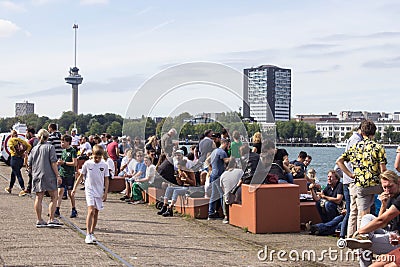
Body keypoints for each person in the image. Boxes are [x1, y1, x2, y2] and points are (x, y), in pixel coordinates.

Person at [337, 119, 387, 229]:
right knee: (391, 200)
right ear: (374, 133)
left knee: (362, 215)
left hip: (361, 185)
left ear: (362, 132)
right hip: (376, 184)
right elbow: (383, 170)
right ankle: (385, 227)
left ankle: (361, 238)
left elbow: (339, 162)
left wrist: (350, 174)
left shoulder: (355, 148)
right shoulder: (378, 148)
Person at [344, 170, 400, 267]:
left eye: (390, 186)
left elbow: (382, 221)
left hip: (397, 239)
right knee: (367, 217)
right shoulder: (392, 196)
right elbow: (383, 223)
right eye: (384, 187)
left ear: (398, 183)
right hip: (391, 233)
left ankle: (362, 239)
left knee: (361, 243)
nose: (387, 190)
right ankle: (363, 238)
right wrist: (383, 204)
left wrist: (359, 232)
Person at [71, 145, 110, 244]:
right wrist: (74, 188)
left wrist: (105, 193)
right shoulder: (87, 164)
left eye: (99, 157)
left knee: (96, 212)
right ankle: (88, 234)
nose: (97, 159)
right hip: (89, 190)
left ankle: (92, 232)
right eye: (96, 157)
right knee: (91, 210)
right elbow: (81, 176)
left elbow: (106, 179)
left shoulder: (104, 165)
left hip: (99, 190)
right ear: (92, 155)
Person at [27, 129, 62, 228]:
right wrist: (58, 175)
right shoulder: (50, 147)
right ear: (48, 137)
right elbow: (53, 163)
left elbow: (29, 163)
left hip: (37, 175)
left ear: (38, 137)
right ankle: (51, 218)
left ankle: (39, 219)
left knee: (39, 197)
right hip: (49, 175)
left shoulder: (34, 149)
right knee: (54, 196)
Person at [340, 125, 362, 239]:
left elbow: (341, 161)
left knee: (351, 210)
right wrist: (352, 174)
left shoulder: (353, 139)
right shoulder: (356, 140)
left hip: (348, 179)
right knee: (354, 210)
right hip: (353, 180)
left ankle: (345, 235)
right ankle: (350, 236)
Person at [55, 134, 78, 218]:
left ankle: (73, 209)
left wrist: (64, 163)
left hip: (69, 175)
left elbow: (74, 163)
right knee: (60, 191)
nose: (61, 144)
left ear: (68, 142)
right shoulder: (63, 151)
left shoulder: (72, 151)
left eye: (63, 142)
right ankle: (57, 209)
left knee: (70, 193)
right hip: (62, 173)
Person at [208, 138, 230, 220]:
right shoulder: (222, 152)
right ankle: (225, 214)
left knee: (214, 194)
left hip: (213, 174)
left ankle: (211, 213)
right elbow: (226, 161)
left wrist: (210, 170)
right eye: (228, 144)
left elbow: (209, 161)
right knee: (222, 194)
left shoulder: (214, 151)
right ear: (225, 143)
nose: (229, 146)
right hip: (219, 175)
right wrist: (234, 158)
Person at [5, 130, 31, 196]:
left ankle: (23, 189)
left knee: (18, 174)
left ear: (11, 135)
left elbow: (11, 146)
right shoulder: (20, 140)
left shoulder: (11, 140)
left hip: (14, 158)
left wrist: (16, 152)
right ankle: (10, 188)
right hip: (21, 159)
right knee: (14, 173)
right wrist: (25, 152)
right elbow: (29, 146)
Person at [220, 157, 244, 224]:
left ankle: (226, 216)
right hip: (239, 198)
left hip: (229, 199)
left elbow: (223, 188)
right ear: (235, 164)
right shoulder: (240, 172)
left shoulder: (223, 175)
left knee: (224, 195)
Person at [24, 127, 38, 194]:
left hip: (32, 160)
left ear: (29, 133)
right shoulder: (38, 139)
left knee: (30, 175)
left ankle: (29, 188)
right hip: (38, 160)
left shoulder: (30, 141)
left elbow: (27, 151)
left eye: (27, 133)